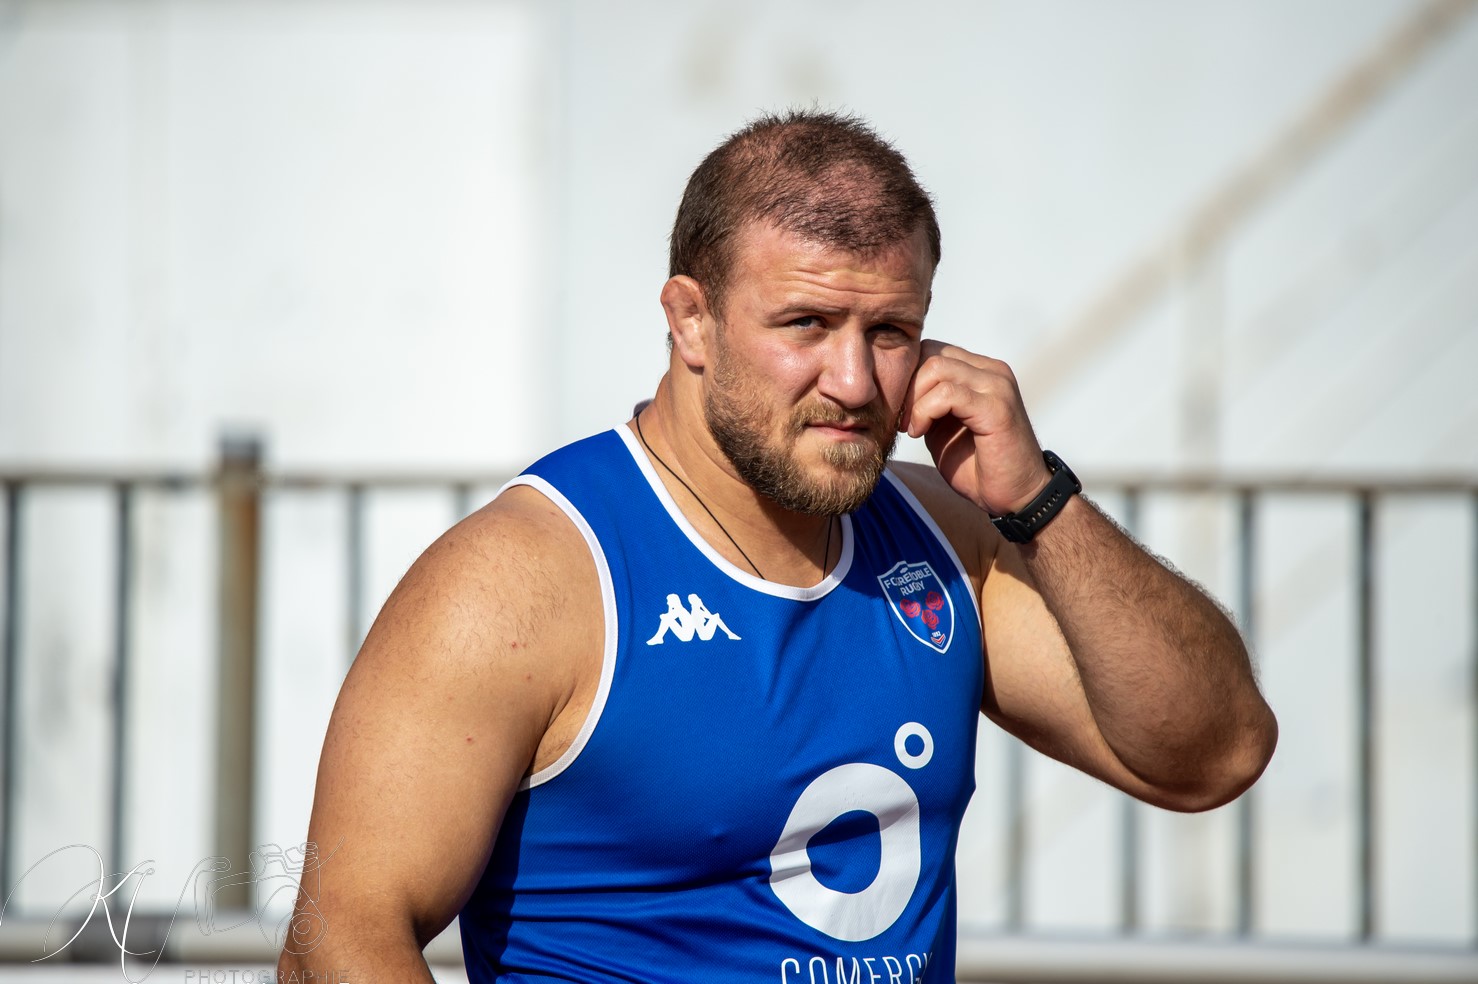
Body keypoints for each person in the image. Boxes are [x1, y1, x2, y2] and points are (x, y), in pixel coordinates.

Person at [278, 110, 1277, 983]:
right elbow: (336, 943)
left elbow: (1209, 755)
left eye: (889, 330)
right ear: (689, 322)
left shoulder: (947, 540)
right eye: (804, 323)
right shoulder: (526, 579)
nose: (851, 380)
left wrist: (1037, 501)